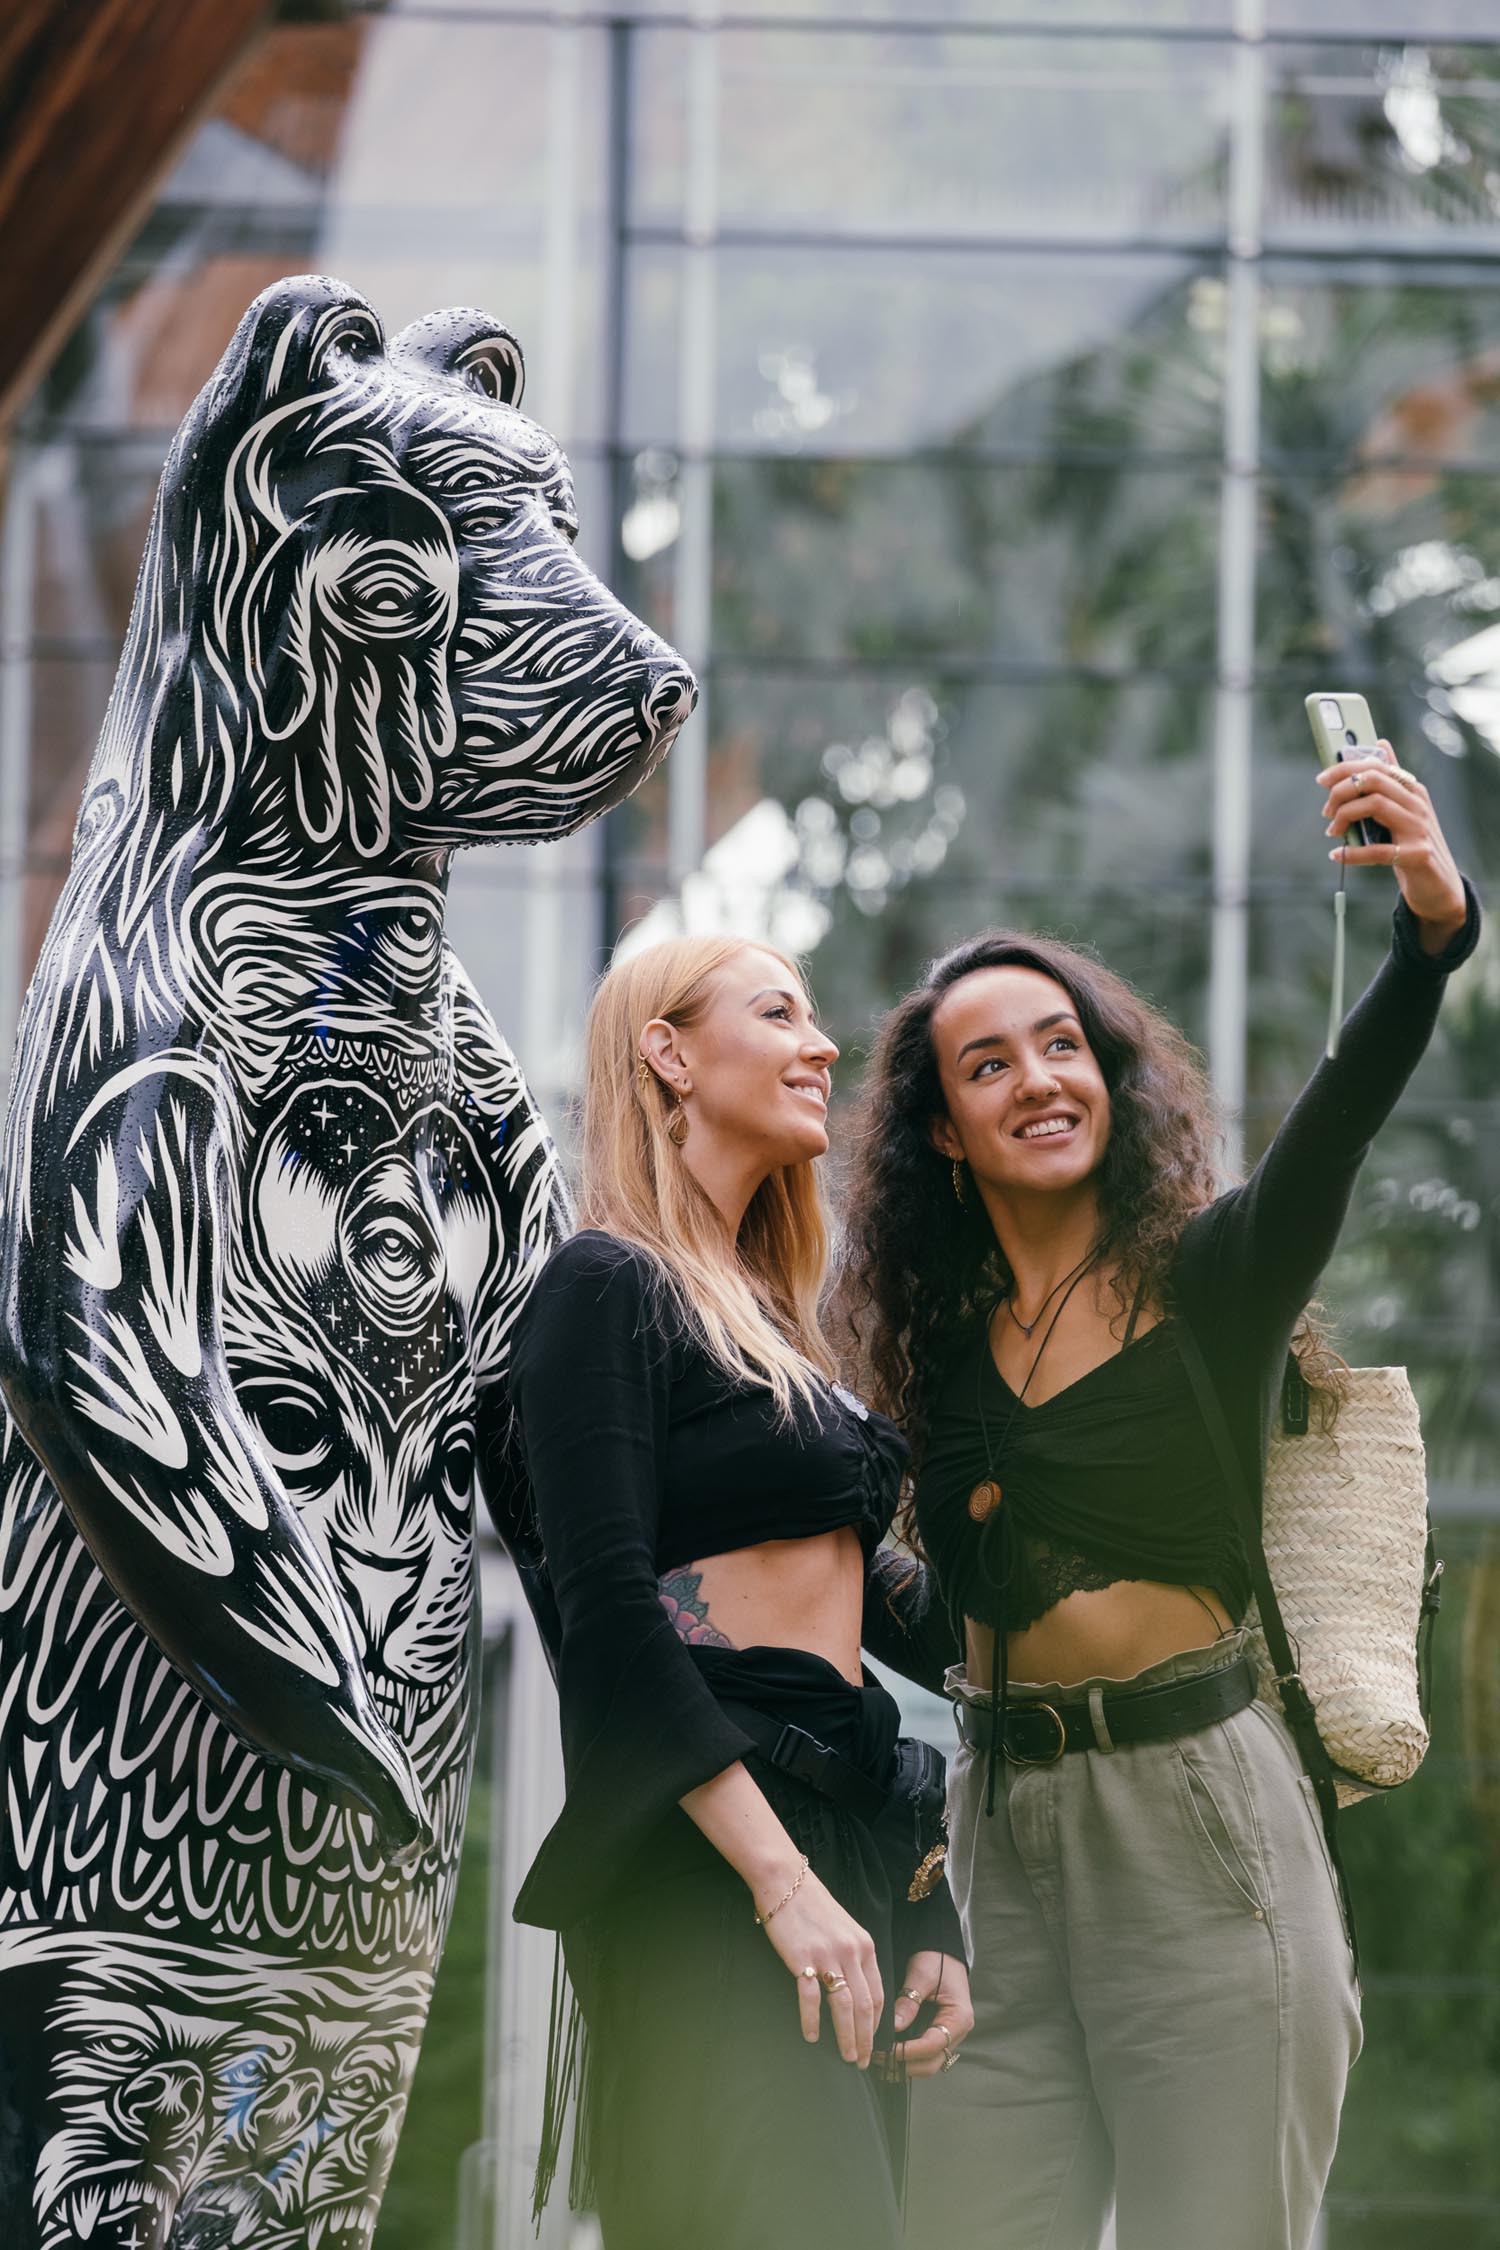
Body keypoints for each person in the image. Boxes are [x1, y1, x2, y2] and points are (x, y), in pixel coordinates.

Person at [838, 746, 1479, 2250]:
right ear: (941, 1127)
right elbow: (948, 1621)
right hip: (994, 1827)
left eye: (1061, 1044)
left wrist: (1430, 932)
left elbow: (1340, 1118)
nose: (1038, 1078)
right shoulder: (929, 1345)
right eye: (987, 1062)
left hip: (1198, 1816)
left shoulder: (1213, 1279)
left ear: (1108, 1075)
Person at [506, 934, 975, 2250]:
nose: (824, 1043)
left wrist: (927, 1886)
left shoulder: (777, 1325)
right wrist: (779, 1882)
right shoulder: (609, 1282)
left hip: (840, 1843)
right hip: (716, 1855)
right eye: (779, 1012)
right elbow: (607, 1613)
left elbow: (895, 1626)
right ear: (667, 1051)